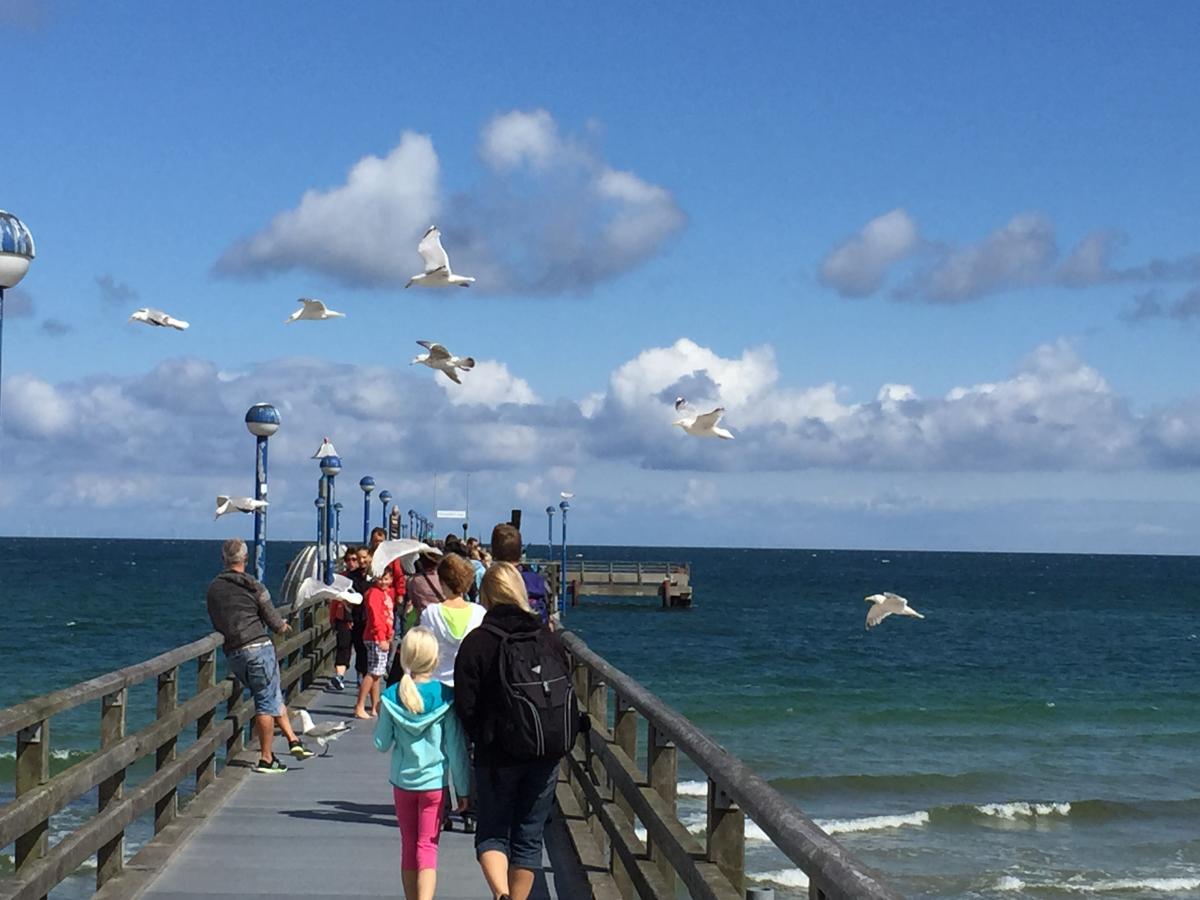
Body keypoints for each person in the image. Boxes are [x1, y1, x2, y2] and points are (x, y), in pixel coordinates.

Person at [455, 564, 582, 900]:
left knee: (492, 834)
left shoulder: (477, 642)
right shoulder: (547, 638)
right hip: (545, 750)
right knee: (529, 836)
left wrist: (479, 739)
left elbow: (465, 704)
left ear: (487, 595)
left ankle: (501, 894)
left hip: (496, 754)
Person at [374, 627, 470, 900]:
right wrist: (463, 790)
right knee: (427, 846)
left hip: (403, 782)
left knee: (408, 845)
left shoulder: (392, 694)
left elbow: (381, 744)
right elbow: (456, 748)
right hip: (434, 785)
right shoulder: (445, 697)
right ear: (435, 658)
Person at [205, 538, 314, 773]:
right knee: (265, 702)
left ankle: (293, 740)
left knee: (271, 694)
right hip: (258, 648)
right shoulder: (254, 586)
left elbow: (215, 618)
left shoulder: (213, 588)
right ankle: (266, 758)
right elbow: (273, 619)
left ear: (223, 559)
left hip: (234, 652)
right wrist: (284, 627)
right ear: (245, 559)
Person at [420, 554, 485, 688]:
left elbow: (424, 651)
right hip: (469, 684)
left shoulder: (431, 613)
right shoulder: (480, 613)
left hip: (436, 684)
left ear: (442, 581)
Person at [354, 566, 395, 719]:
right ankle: (360, 705)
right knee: (373, 672)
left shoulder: (385, 593)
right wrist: (381, 637)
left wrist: (389, 633)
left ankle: (375, 706)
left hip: (381, 636)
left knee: (377, 673)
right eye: (380, 579)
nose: (383, 582)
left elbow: (387, 616)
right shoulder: (374, 595)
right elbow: (376, 617)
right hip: (375, 637)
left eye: (386, 579)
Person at [328, 547, 360, 692]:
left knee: (361, 648)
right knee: (343, 647)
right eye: (348, 560)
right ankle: (339, 677)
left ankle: (361, 676)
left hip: (360, 618)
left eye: (354, 559)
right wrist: (332, 617)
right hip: (343, 617)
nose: (351, 563)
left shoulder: (363, 578)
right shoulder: (341, 578)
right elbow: (335, 599)